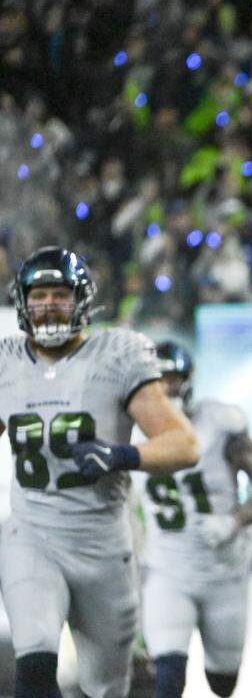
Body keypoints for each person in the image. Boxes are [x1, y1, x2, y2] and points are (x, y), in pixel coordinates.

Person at [0, 246, 198, 698]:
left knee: (106, 688)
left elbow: (183, 444)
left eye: (59, 293)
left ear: (81, 301)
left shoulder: (117, 354)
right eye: (38, 294)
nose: (48, 304)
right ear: (22, 302)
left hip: (102, 546)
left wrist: (121, 456)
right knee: (33, 664)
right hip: (32, 535)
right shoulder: (5, 362)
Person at [137, 341, 252, 698]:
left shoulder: (219, 423)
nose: (166, 388)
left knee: (223, 679)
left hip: (224, 572)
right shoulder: (129, 430)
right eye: (158, 380)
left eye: (173, 379)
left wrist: (234, 520)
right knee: (168, 676)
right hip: (167, 570)